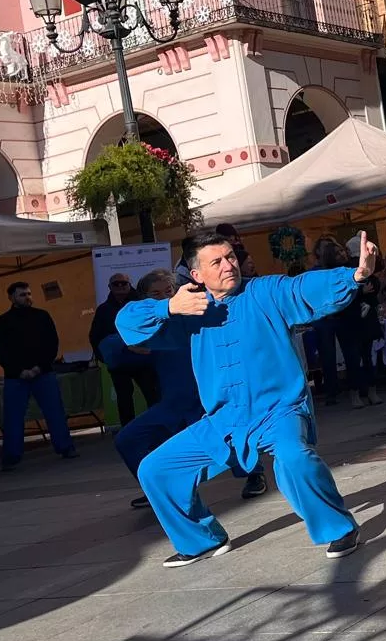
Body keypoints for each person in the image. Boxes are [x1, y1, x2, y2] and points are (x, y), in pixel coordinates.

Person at [115, 231, 372, 566]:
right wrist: (168, 306)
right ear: (196, 275)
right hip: (224, 420)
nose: (228, 265)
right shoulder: (190, 310)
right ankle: (201, 540)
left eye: (231, 257)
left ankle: (337, 528)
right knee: (155, 469)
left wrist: (354, 275)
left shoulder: (265, 291)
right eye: (217, 261)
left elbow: (304, 287)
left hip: (279, 410)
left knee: (293, 457)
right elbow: (126, 324)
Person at [107, 269, 266, 509]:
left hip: (209, 401)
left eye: (168, 291)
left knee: (229, 436)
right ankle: (158, 489)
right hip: (173, 406)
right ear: (146, 299)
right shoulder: (151, 329)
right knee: (127, 439)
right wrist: (129, 346)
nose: (163, 296)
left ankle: (254, 474)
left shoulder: (196, 317)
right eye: (155, 293)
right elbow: (110, 350)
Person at [0, 282, 77, 470]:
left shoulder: (42, 316)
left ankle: (65, 446)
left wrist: (39, 367)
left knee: (54, 412)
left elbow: (52, 344)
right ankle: (11, 456)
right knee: (13, 417)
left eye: (29, 294)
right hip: (16, 377)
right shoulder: (2, 322)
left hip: (43, 373)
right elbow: (0, 351)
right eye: (22, 295)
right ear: (11, 297)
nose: (27, 297)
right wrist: (18, 371)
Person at [310, 237, 382, 409]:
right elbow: (335, 297)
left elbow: (372, 280)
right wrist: (358, 291)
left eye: (342, 250)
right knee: (352, 359)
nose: (341, 254)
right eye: (337, 253)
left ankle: (371, 390)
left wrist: (364, 289)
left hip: (363, 318)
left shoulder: (353, 266)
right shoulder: (329, 275)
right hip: (345, 320)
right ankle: (355, 393)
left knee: (367, 356)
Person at [89, 272, 159, 428]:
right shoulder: (103, 310)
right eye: (116, 284)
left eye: (123, 283)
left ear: (130, 284)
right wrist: (105, 357)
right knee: (124, 398)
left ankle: (159, 426)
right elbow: (95, 336)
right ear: (109, 287)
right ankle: (129, 429)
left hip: (143, 359)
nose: (120, 286)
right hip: (119, 361)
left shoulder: (141, 304)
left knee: (152, 394)